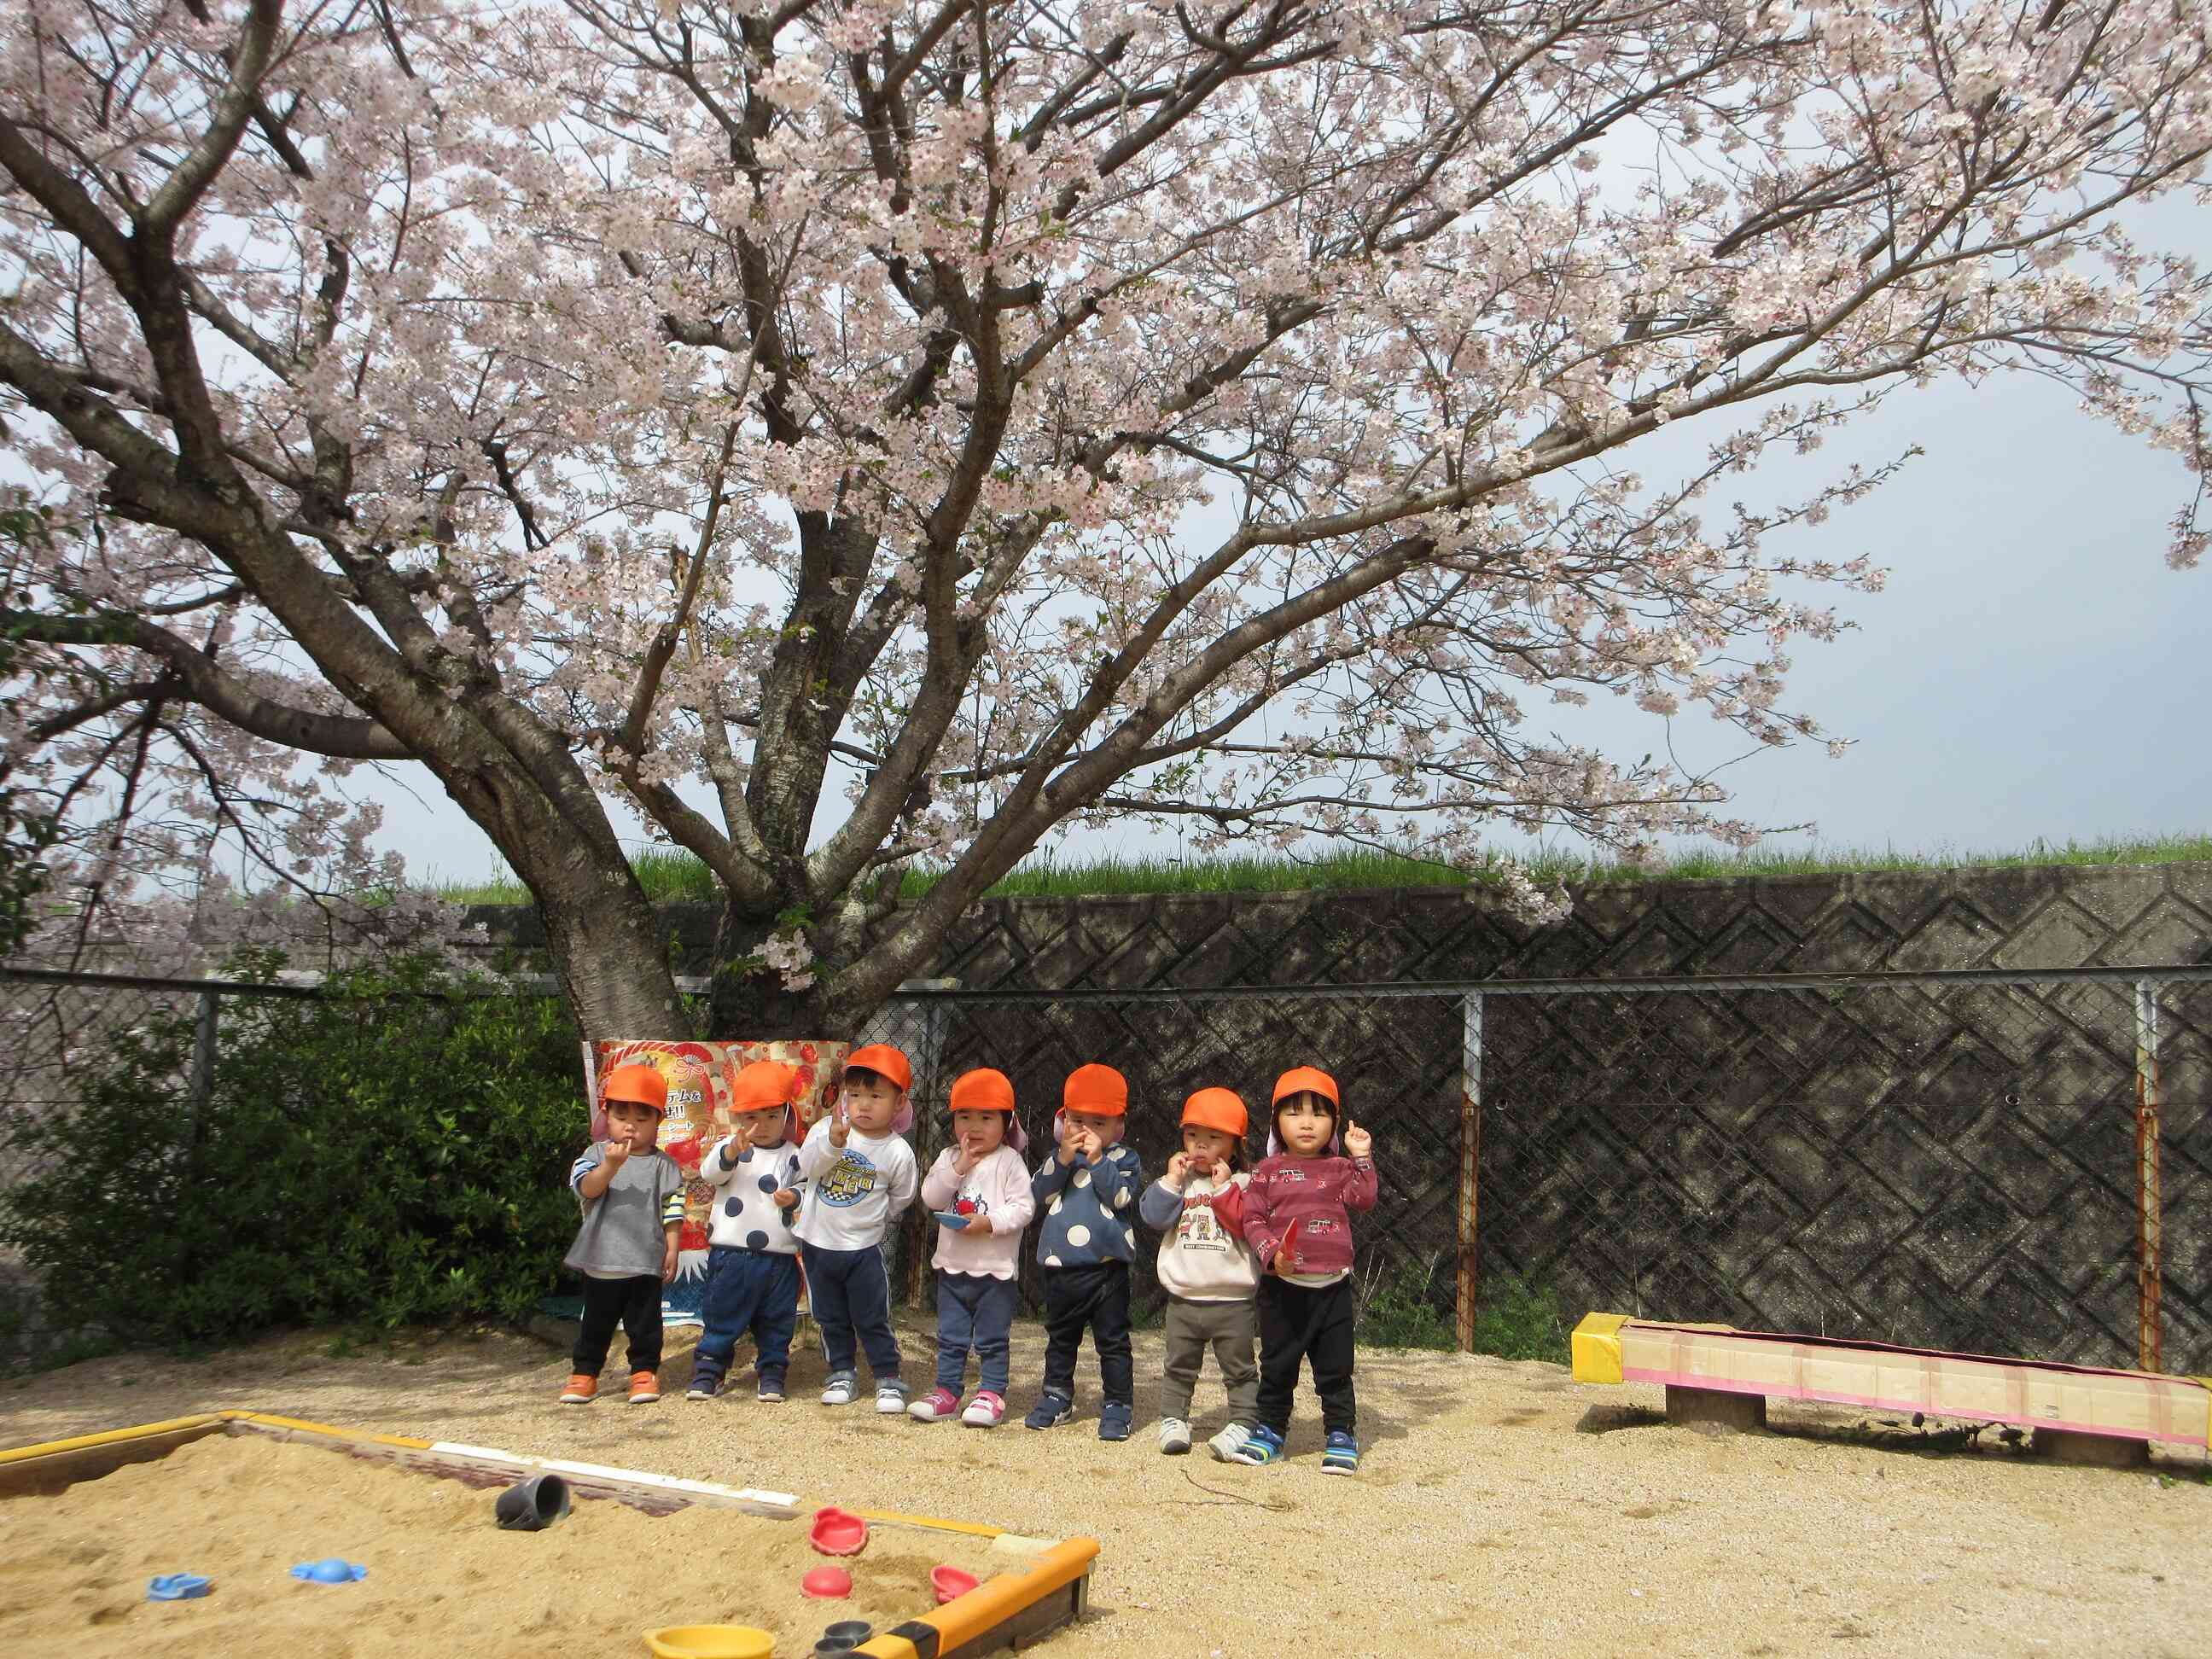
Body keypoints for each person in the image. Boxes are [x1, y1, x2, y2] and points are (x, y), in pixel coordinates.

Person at [1235, 1065, 1377, 1472]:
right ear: (1276, 1122)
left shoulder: (1341, 1168)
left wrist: (1361, 1157)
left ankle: (1341, 1432)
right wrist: (1272, 1253)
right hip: (1282, 1290)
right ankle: (1271, 1431)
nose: (1307, 1123)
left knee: (1336, 1368)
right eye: (1294, 1113)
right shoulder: (1265, 1171)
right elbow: (1252, 1220)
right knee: (1277, 1366)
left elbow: (1365, 1199)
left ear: (1335, 1121)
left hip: (1333, 1289)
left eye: (1319, 1113)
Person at [795, 1042, 920, 1413]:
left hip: (864, 1249)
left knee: (873, 1316)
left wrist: (873, 1218)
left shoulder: (897, 1151)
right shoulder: (826, 1129)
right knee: (829, 1316)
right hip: (818, 1245)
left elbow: (902, 1196)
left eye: (876, 1096)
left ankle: (888, 1377)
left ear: (899, 1102)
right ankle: (841, 1373)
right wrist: (834, 1145)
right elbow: (807, 1167)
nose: (863, 1105)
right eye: (855, 1095)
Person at [1138, 1086, 1261, 1459]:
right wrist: (1171, 1181)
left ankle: (1243, 1421)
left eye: (1214, 1137)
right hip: (1184, 1297)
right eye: (1193, 1135)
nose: (1201, 1145)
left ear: (1237, 1145)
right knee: (1178, 1365)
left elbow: (1246, 1226)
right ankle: (1173, 1419)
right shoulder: (1182, 1183)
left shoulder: (1246, 1183)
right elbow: (1153, 1217)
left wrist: (1224, 1190)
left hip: (1233, 1300)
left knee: (1239, 1368)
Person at [909, 1067, 1036, 1428]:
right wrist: (959, 1167)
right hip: (952, 1266)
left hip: (994, 1270)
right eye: (964, 1117)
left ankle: (991, 1393)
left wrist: (989, 1222)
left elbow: (1024, 1208)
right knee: (950, 1336)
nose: (974, 1126)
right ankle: (947, 1392)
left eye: (986, 1118)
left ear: (1007, 1123)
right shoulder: (949, 1157)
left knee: (992, 1338)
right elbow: (931, 1198)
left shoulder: (1009, 1161)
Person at [1026, 1062, 1144, 1440]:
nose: (1086, 1131)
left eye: (1099, 1122)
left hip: (1108, 1270)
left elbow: (1120, 1198)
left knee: (1113, 1341)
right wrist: (1063, 1159)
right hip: (1061, 1268)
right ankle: (1056, 1396)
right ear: (1064, 1121)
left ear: (1118, 1126)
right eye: (1078, 1120)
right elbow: (1037, 1195)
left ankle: (1118, 1403)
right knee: (1061, 1338)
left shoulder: (1124, 1159)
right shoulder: (1059, 1157)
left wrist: (1096, 1161)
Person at [560, 1063, 685, 1406]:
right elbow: (586, 1189)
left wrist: (673, 1247)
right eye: (621, 1116)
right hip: (601, 1261)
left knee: (645, 1325)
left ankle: (644, 1373)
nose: (631, 1125)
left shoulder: (665, 1165)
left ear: (658, 1121)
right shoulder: (594, 1155)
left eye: (642, 1118)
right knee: (595, 1323)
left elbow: (673, 1209)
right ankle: (585, 1374)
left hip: (645, 1261)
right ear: (607, 1117)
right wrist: (610, 1166)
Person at [685, 1059, 807, 1403]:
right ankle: (709, 1372)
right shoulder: (732, 1147)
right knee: (721, 1316)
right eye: (753, 1116)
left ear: (786, 1114)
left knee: (777, 1321)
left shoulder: (795, 1155)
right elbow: (711, 1174)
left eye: (772, 1116)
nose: (762, 1125)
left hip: (779, 1258)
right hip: (732, 1254)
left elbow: (808, 1189)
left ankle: (772, 1374)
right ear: (740, 1117)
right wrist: (730, 1152)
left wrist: (794, 1197)